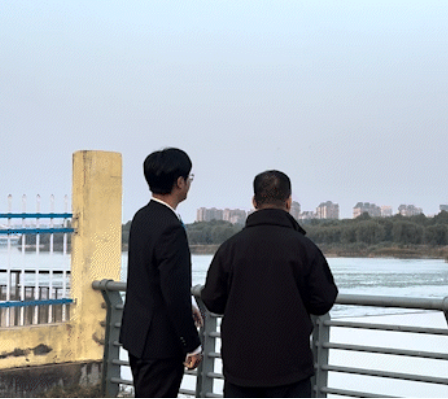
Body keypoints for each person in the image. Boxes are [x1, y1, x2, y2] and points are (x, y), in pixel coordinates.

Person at [201, 170, 338, 398]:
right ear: (289, 202)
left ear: (254, 202)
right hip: (291, 370)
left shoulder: (231, 248)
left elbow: (212, 300)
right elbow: (323, 300)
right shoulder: (304, 248)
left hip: (240, 370)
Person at [120, 148, 203, 398]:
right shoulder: (170, 227)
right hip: (160, 343)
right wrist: (192, 344)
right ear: (179, 182)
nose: (189, 183)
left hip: (138, 336)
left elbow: (150, 277)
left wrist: (187, 304)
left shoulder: (142, 217)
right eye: (189, 178)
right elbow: (173, 291)